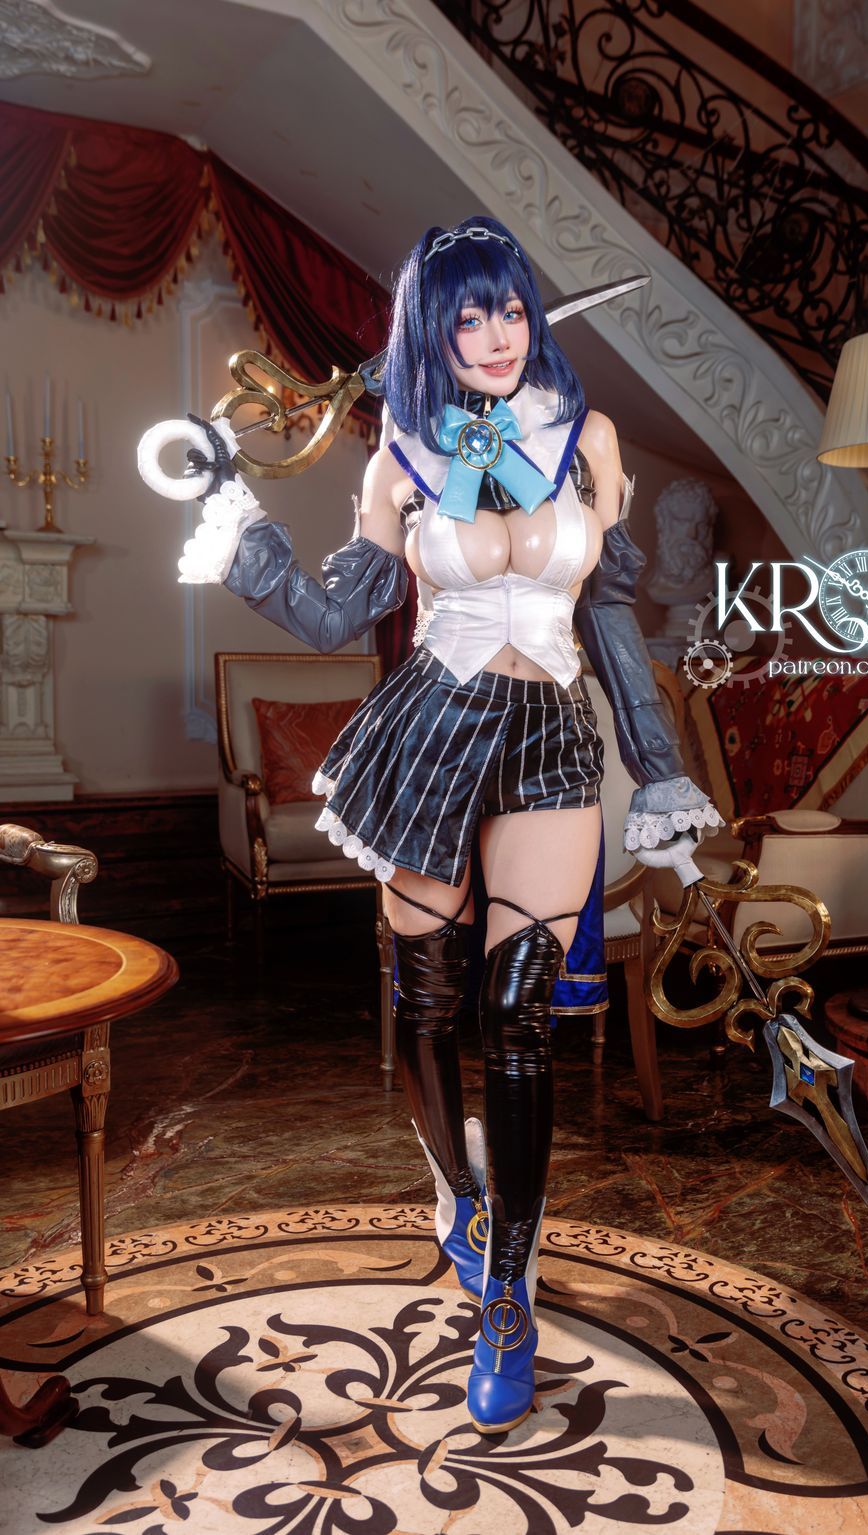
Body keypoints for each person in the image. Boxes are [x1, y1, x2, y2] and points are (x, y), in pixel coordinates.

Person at [171, 215, 722, 1436]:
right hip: (429, 734)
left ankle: (508, 1297)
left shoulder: (589, 439)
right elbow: (333, 615)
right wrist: (231, 511)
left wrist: (659, 770)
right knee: (428, 1002)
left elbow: (611, 615)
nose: (495, 333)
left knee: (517, 1013)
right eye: (467, 315)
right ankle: (457, 1192)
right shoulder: (401, 458)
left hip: (551, 739)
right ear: (432, 330)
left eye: (510, 308)